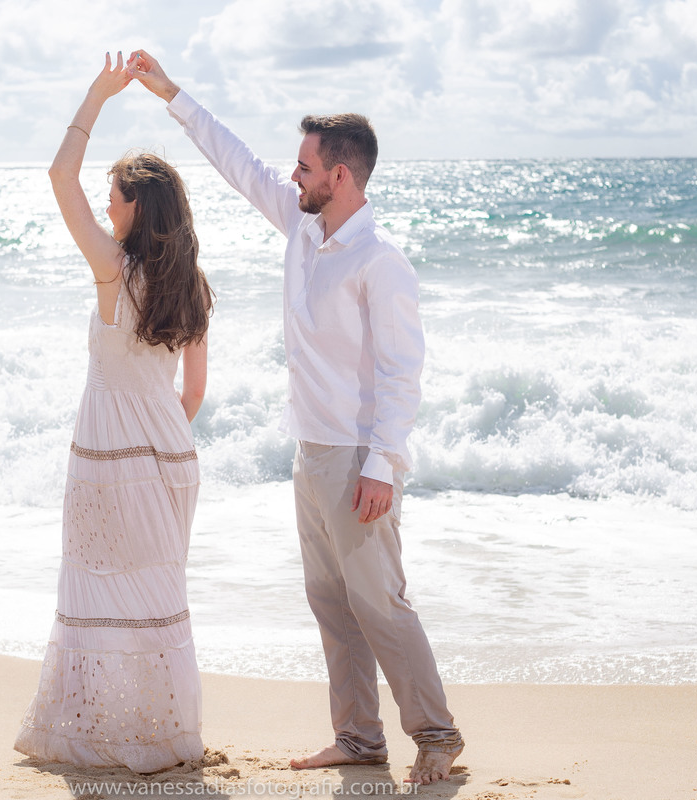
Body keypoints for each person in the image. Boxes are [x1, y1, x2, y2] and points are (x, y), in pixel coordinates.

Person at [127, 50, 463, 785]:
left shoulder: (381, 261)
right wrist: (170, 94)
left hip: (355, 457)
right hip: (310, 452)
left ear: (340, 176)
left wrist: (381, 465)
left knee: (380, 602)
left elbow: (402, 375)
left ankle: (436, 735)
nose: (293, 177)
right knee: (330, 602)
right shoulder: (304, 229)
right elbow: (237, 162)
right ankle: (358, 737)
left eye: (305, 168)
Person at [14, 52, 212, 773]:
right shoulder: (192, 285)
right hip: (171, 459)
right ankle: (165, 734)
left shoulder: (113, 269)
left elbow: (57, 177)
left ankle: (102, 732)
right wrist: (158, 443)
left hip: (109, 460)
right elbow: (192, 393)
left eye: (114, 198)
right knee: (157, 601)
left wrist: (96, 94)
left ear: (137, 208)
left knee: (98, 591)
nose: (105, 206)